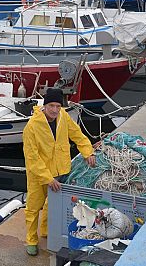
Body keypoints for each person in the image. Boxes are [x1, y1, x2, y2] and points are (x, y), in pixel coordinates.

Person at [23, 88, 95, 256]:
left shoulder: (64, 117)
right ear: (45, 105)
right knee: (33, 207)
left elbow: (77, 135)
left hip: (61, 170)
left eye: (58, 106)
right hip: (39, 175)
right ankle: (31, 240)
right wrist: (47, 178)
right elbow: (32, 158)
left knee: (52, 204)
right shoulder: (31, 127)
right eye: (51, 106)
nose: (55, 110)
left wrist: (87, 152)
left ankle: (46, 230)